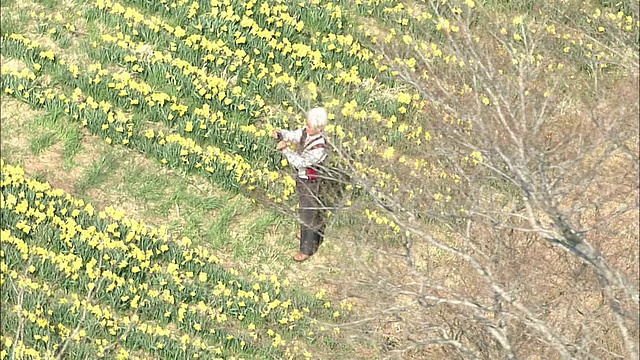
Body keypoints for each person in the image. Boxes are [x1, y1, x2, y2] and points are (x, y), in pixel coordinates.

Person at [273, 107, 329, 262]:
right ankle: (308, 233)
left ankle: (307, 248)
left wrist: (285, 149)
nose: (306, 126)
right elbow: (295, 135)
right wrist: (282, 134)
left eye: (310, 125)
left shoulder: (320, 147)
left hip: (311, 181)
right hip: (302, 178)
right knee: (305, 208)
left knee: (308, 212)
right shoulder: (307, 131)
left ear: (319, 128)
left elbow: (301, 163)